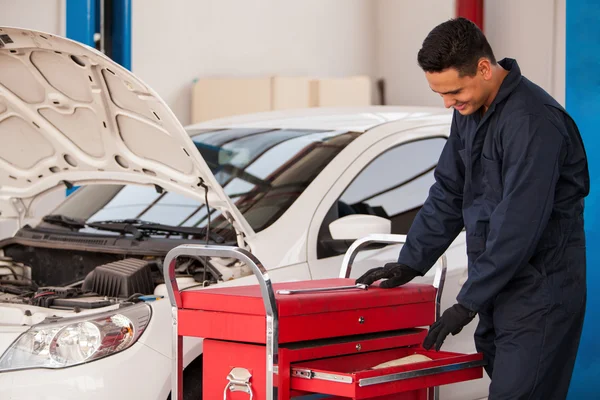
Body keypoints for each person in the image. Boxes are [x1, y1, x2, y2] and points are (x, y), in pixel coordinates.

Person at [356, 17, 589, 399]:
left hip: (540, 293)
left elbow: (519, 224)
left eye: (454, 91)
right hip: (501, 289)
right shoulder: (470, 112)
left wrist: (466, 302)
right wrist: (411, 261)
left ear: (483, 68)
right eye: (441, 94)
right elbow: (449, 190)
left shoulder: (533, 122)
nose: (448, 102)